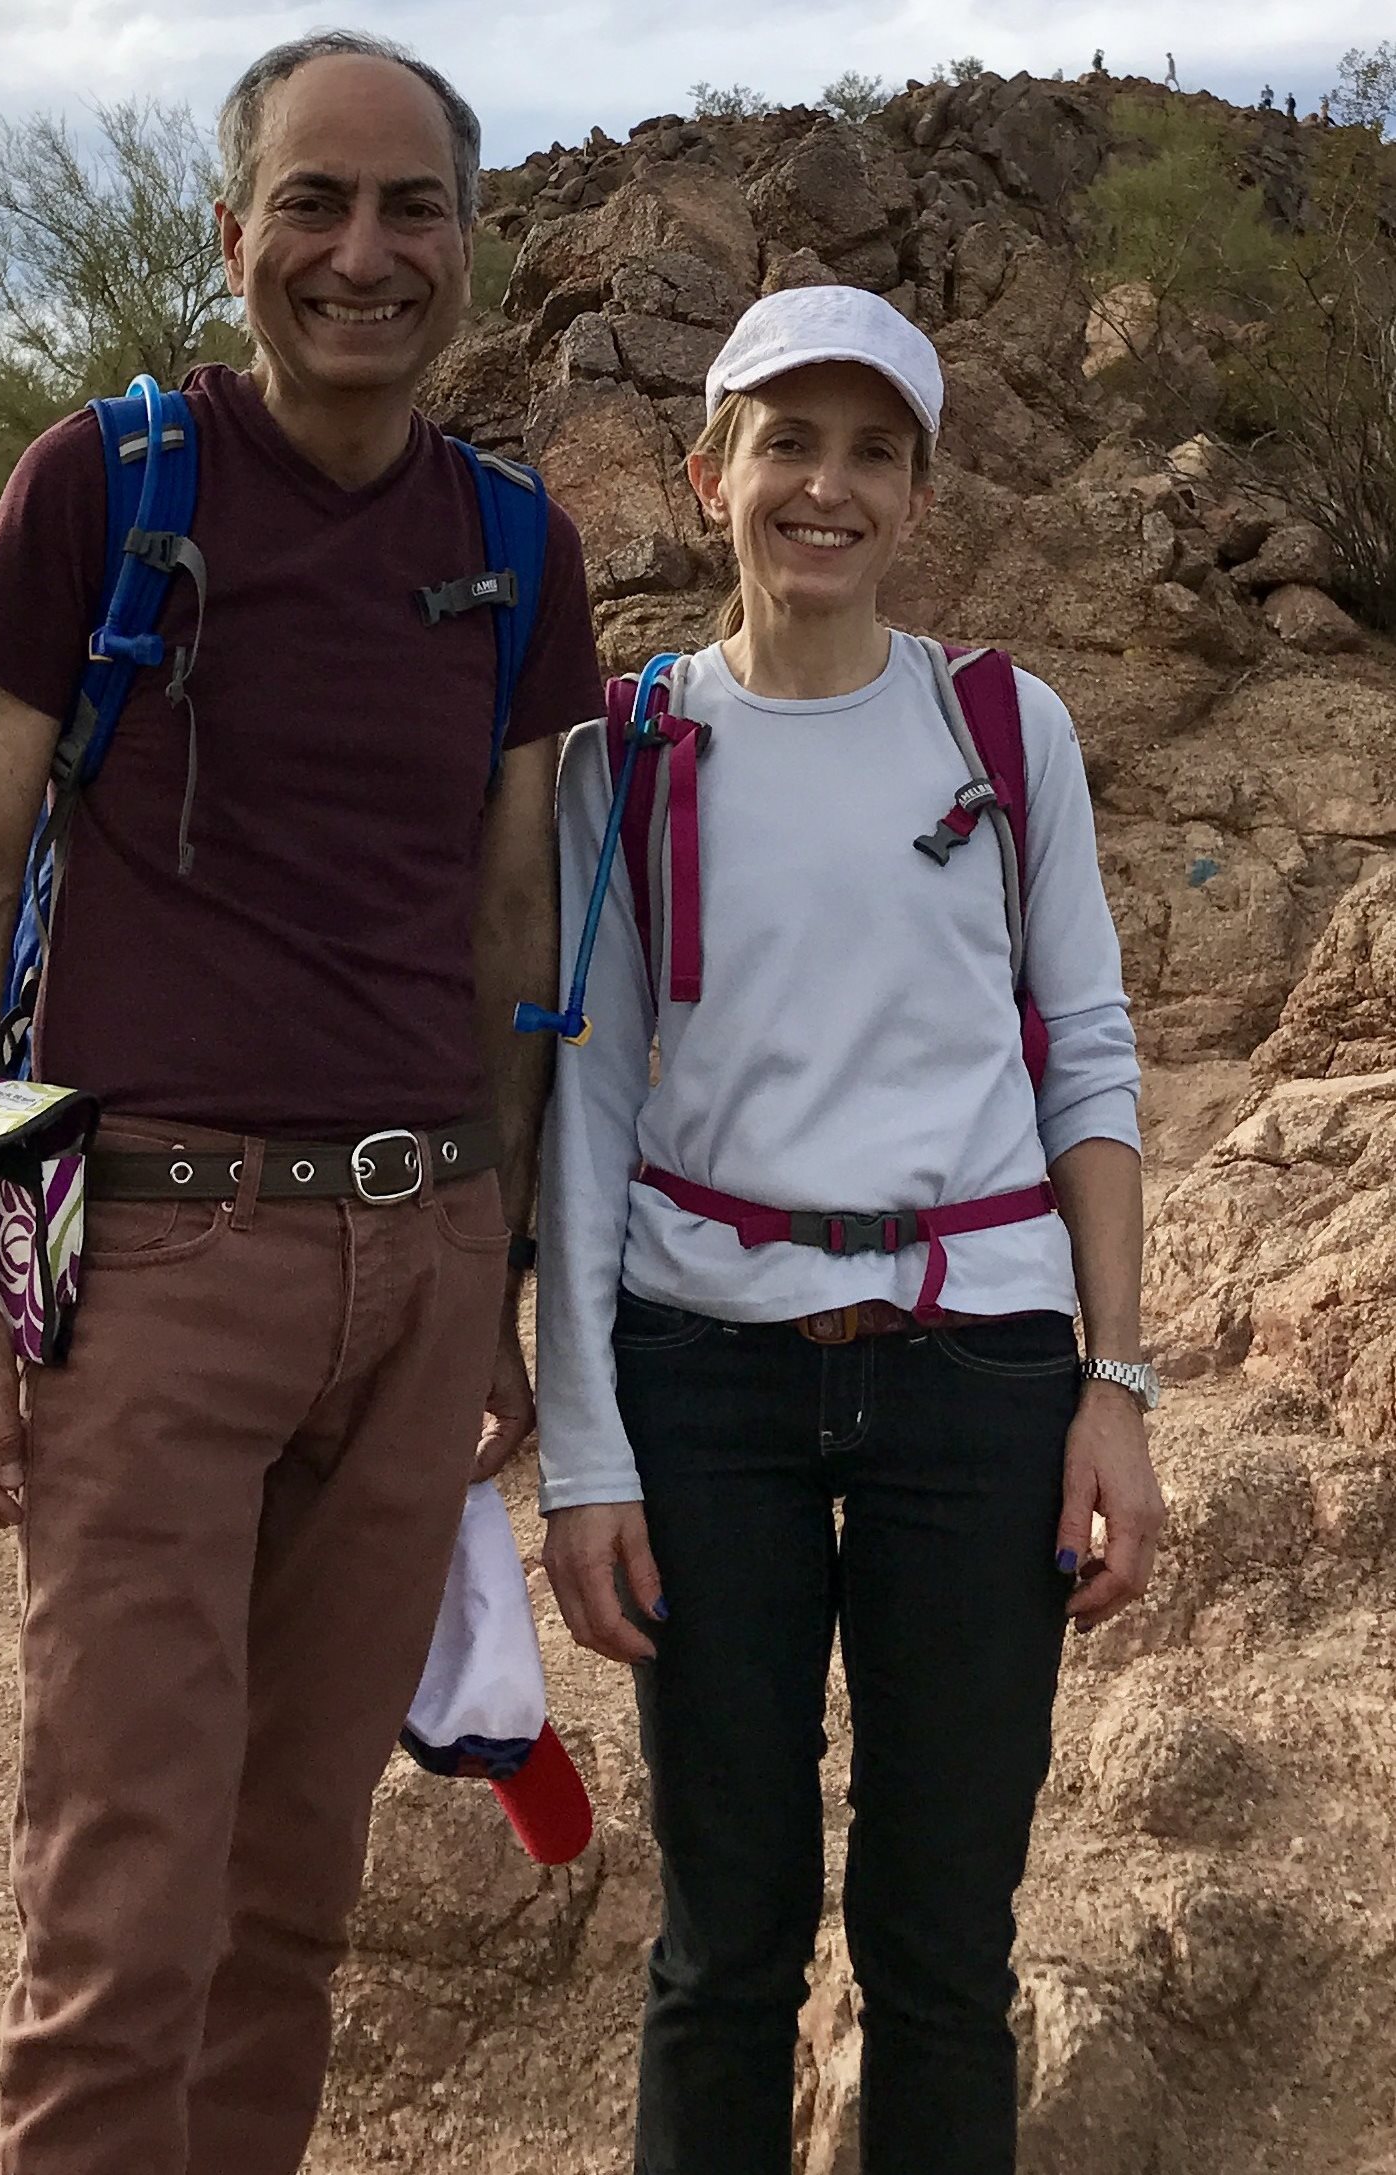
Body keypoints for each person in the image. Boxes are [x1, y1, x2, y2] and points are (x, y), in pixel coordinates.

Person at [0, 29, 601, 2175]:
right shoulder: (102, 487)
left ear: (471, 247)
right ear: (232, 235)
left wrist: (499, 1283)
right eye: (315, 201)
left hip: (425, 1256)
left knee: (289, 1912)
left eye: (411, 210)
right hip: (152, 1262)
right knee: (124, 1928)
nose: (361, 254)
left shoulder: (513, 541)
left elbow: (510, 929)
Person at [533, 285, 1165, 2175]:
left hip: (980, 1380)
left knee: (943, 1945)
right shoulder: (625, 753)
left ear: (917, 491)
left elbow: (1092, 1061)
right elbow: (588, 1104)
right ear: (705, 470)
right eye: (787, 443)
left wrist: (1112, 1389)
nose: (827, 485)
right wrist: (585, 1450)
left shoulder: (1000, 726)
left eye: (873, 449)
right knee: (723, 1941)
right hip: (702, 1379)